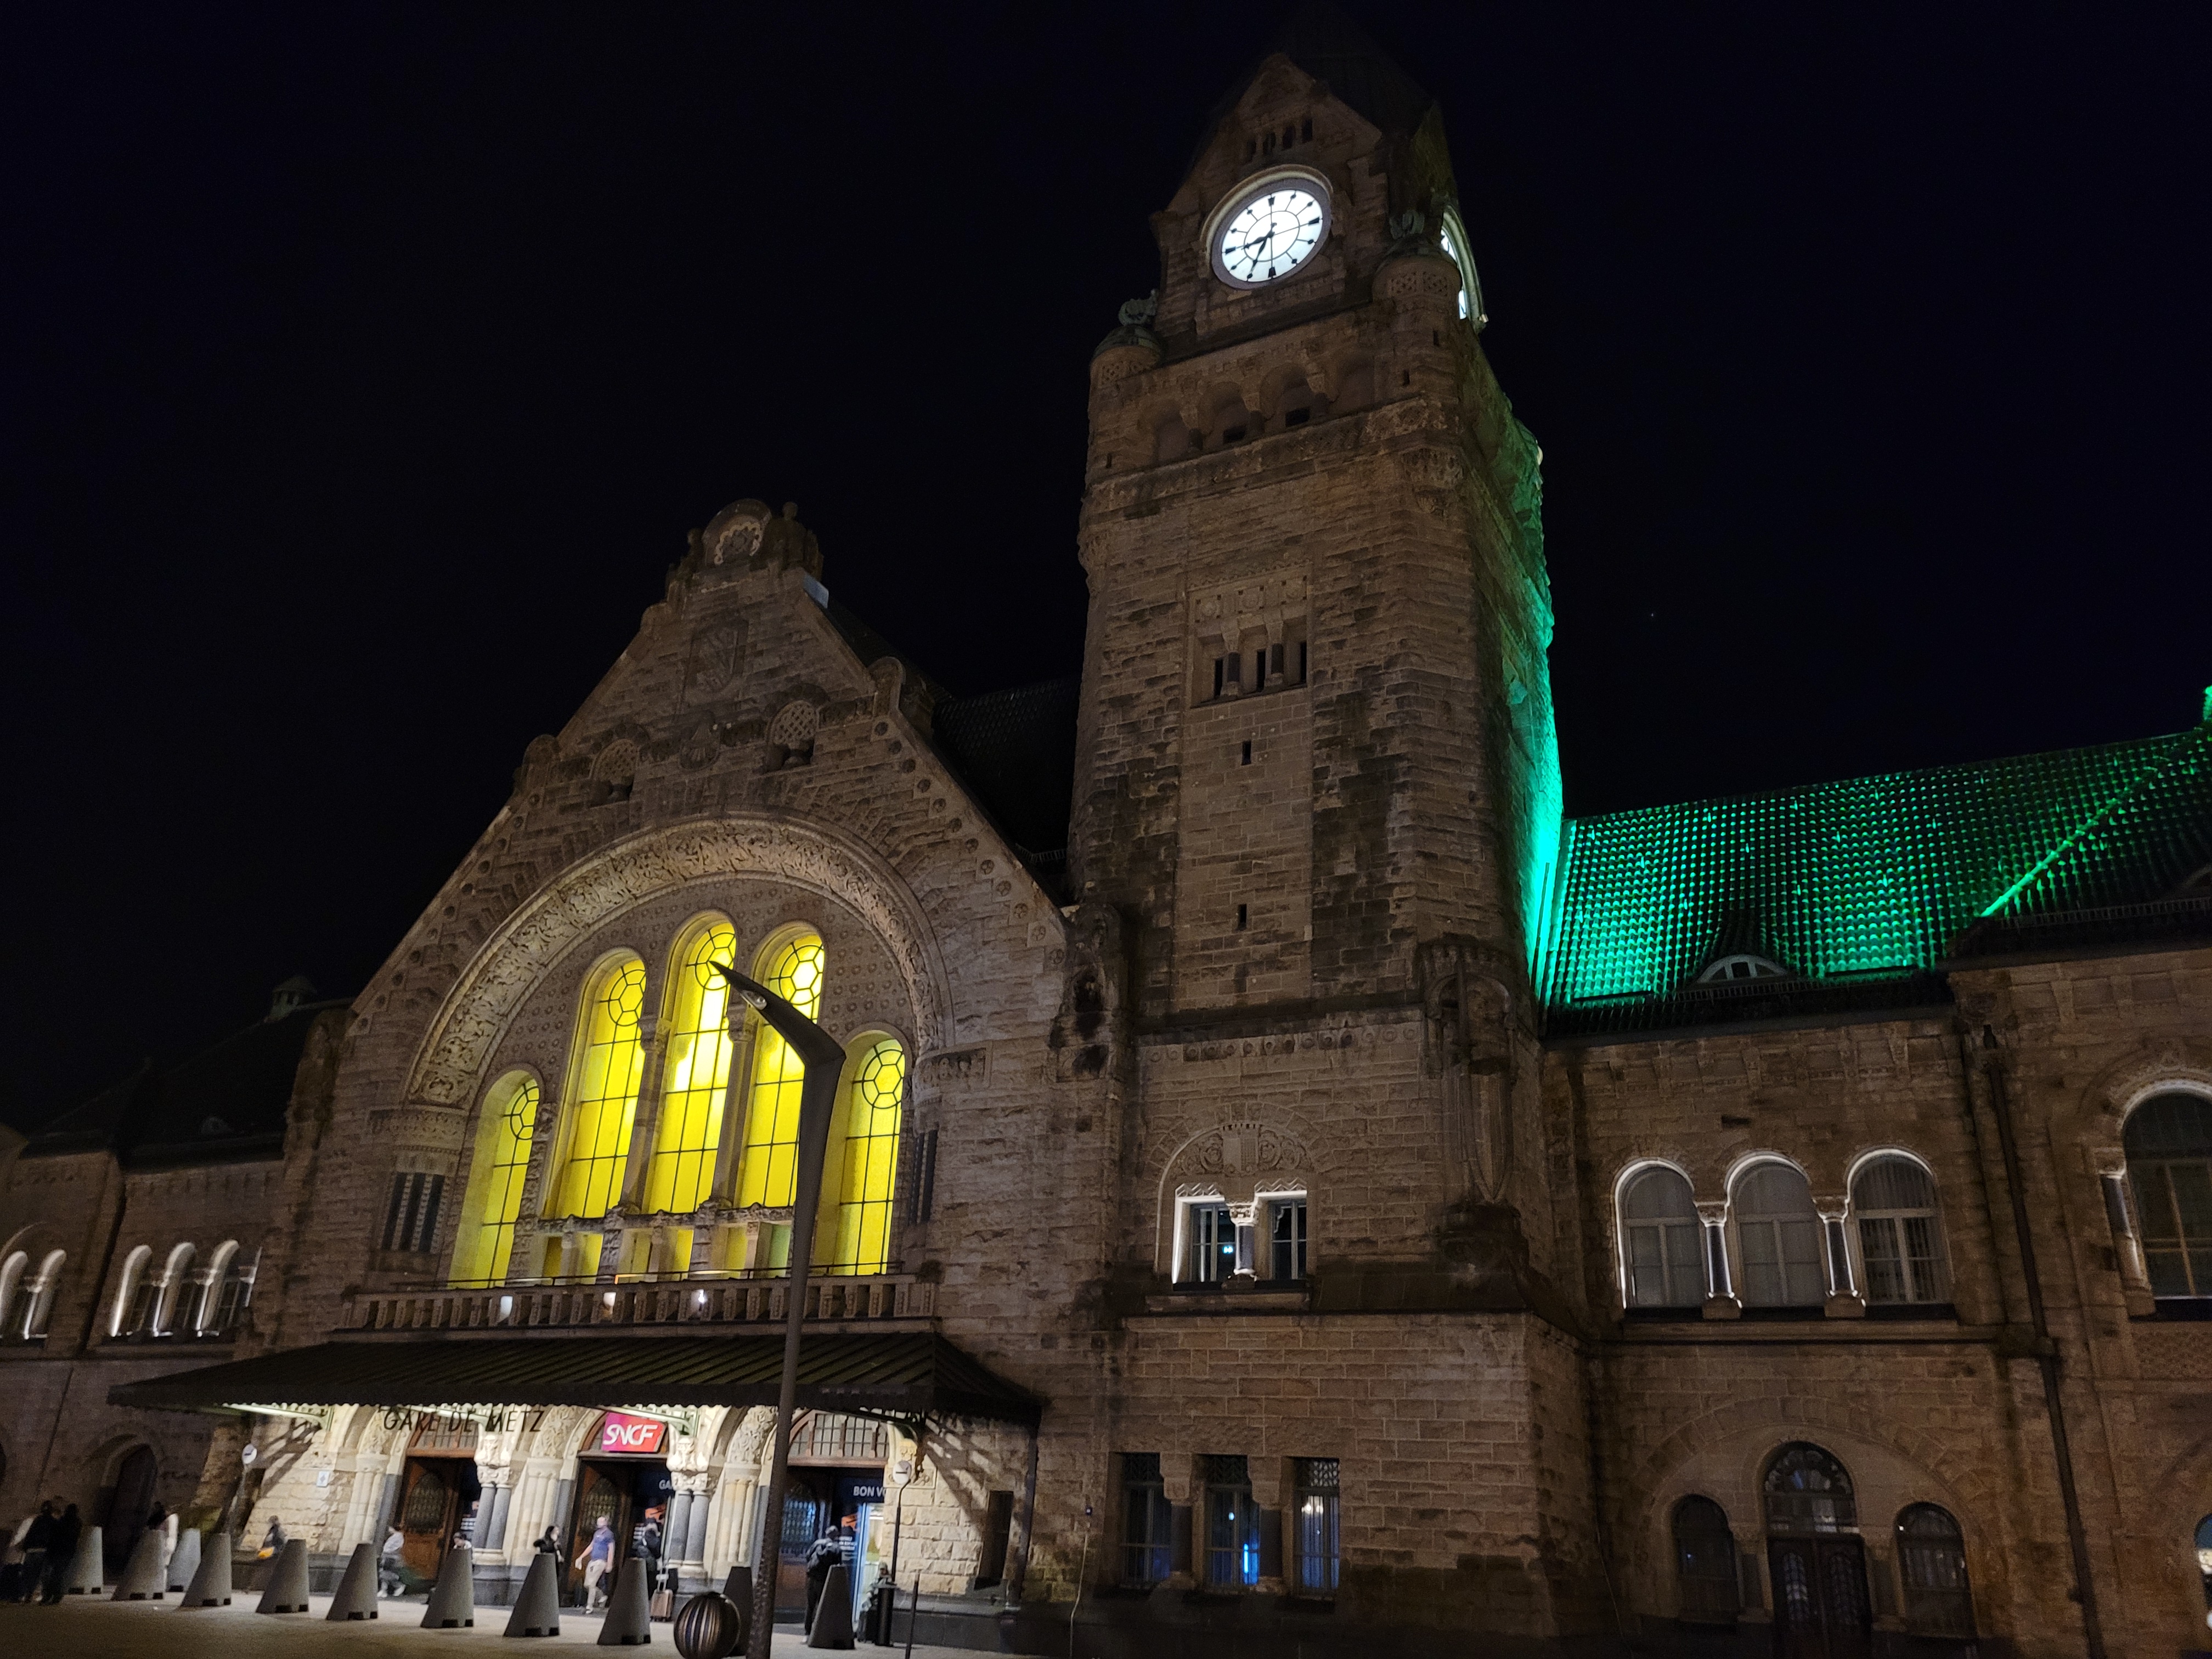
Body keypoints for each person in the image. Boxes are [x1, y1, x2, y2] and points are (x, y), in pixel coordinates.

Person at [39, 1503, 82, 1604]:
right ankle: (54, 1595)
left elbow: (55, 1535)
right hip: (66, 1552)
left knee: (53, 1575)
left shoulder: (63, 1521)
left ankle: (50, 1595)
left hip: (57, 1551)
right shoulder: (76, 1523)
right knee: (57, 1575)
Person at [803, 1526, 842, 1632]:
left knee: (810, 1605)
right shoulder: (836, 1548)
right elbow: (838, 1565)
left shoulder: (817, 1543)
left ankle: (807, 1629)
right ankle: (818, 1629)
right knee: (822, 1605)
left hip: (812, 1578)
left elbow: (808, 1556)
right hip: (825, 1579)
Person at [575, 1515, 616, 1612]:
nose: (599, 1524)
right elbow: (591, 1546)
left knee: (592, 1584)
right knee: (587, 1584)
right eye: (598, 1522)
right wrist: (581, 1557)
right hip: (593, 1560)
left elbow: (611, 1549)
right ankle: (601, 1597)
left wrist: (609, 1563)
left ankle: (590, 1606)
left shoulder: (609, 1535)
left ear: (606, 1523)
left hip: (601, 1561)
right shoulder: (596, 1533)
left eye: (601, 1522)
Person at [379, 1524, 405, 1598]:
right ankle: (384, 1590)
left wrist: (386, 1552)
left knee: (387, 1573)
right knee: (384, 1573)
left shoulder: (398, 1536)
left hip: (391, 1557)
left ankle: (398, 1586)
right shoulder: (395, 1536)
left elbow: (392, 1547)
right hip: (388, 1556)